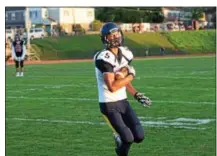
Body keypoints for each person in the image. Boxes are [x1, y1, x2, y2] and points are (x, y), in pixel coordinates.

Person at [93, 22, 152, 156]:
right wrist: (131, 75)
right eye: (112, 35)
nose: (115, 37)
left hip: (123, 102)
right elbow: (113, 87)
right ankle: (119, 144)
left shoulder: (125, 53)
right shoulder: (103, 57)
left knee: (139, 136)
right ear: (105, 38)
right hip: (108, 104)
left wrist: (135, 94)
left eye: (117, 33)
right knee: (127, 138)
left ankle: (120, 139)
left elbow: (121, 81)